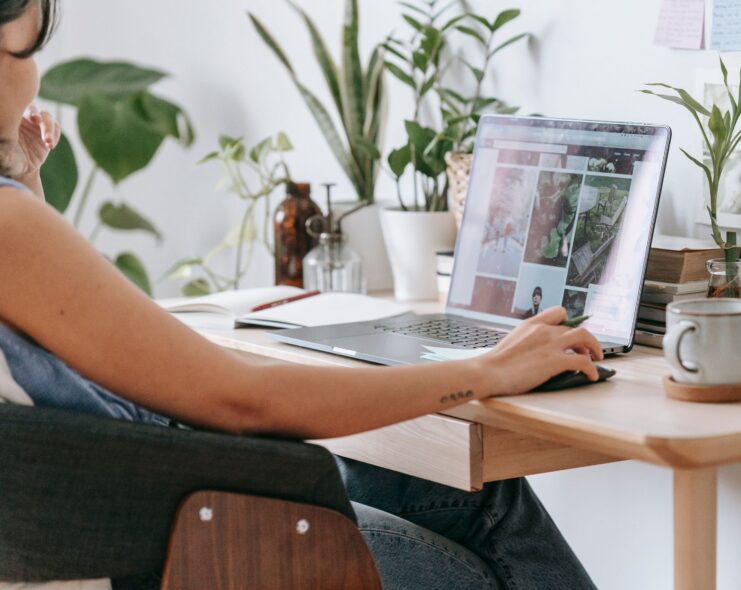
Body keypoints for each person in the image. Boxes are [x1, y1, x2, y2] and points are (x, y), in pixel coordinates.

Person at [0, 1, 602, 588]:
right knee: (490, 516)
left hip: (135, 516)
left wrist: (26, 180)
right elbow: (247, 400)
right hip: (189, 541)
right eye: (25, 51)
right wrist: (489, 370)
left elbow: (42, 355)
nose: (35, 77)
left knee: (461, 487)